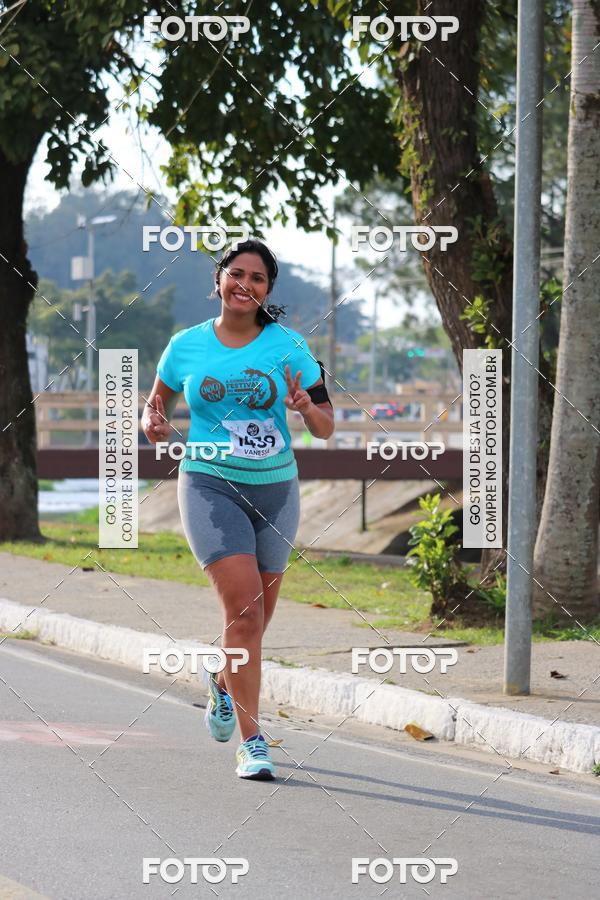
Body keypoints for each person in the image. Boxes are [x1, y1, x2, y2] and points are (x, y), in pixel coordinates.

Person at [141, 239, 334, 780]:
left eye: (258, 278)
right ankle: (253, 742)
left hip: (275, 491)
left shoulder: (290, 346)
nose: (245, 284)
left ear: (268, 290)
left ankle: (223, 683)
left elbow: (325, 426)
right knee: (245, 615)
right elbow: (155, 409)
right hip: (208, 486)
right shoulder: (185, 346)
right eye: (236, 273)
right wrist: (151, 425)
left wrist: (304, 408)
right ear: (219, 280)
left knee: (256, 620)